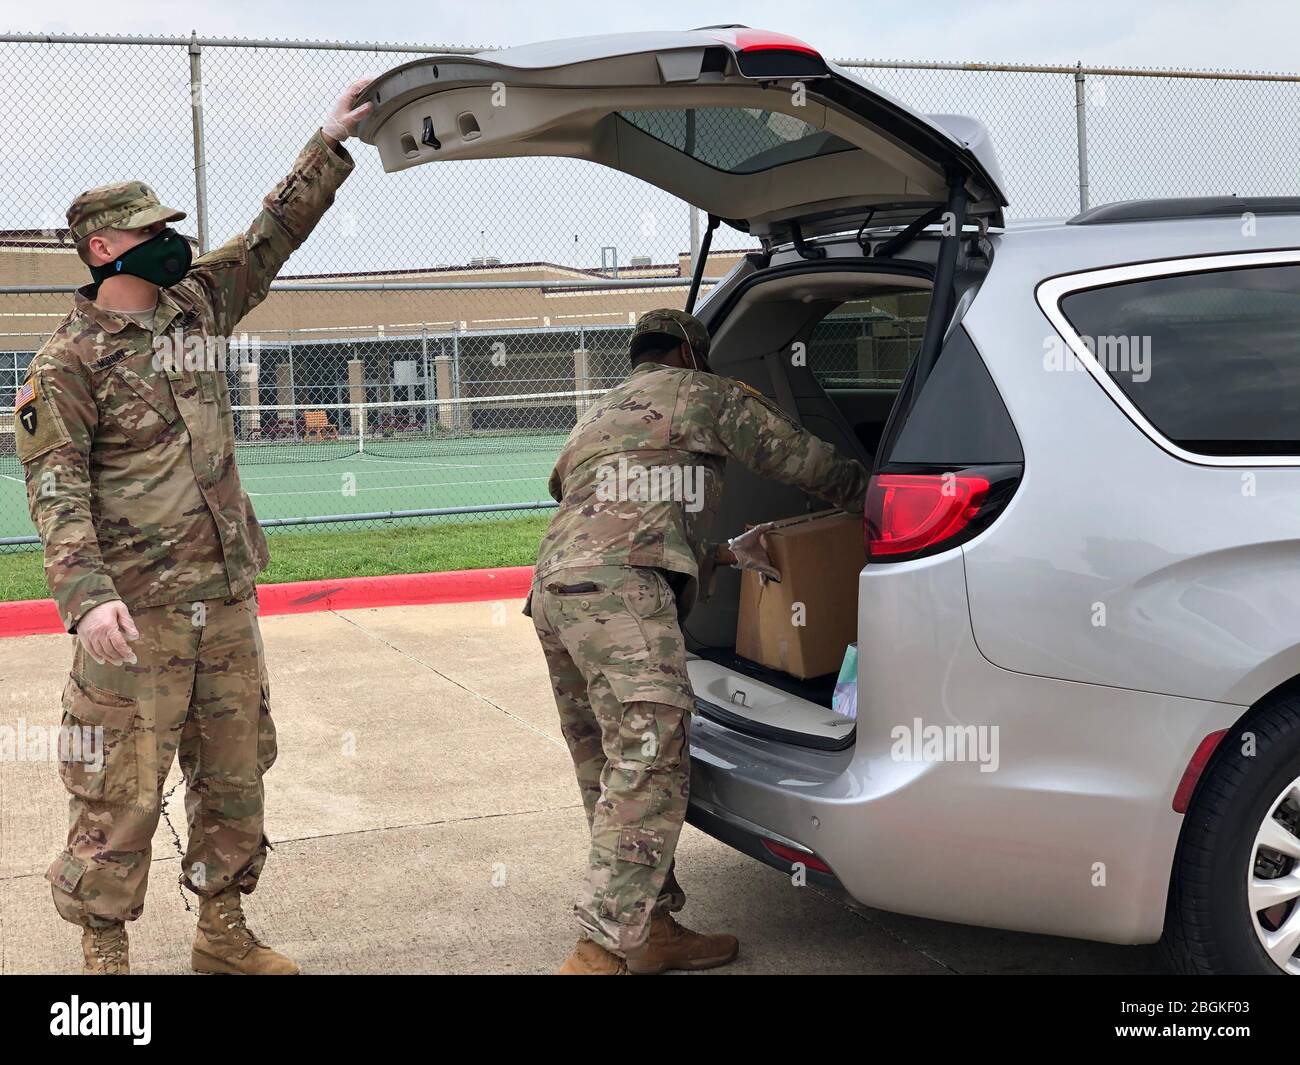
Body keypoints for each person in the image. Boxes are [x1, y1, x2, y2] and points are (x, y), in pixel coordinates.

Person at [21, 78, 374, 975]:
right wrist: (86, 597)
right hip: (132, 619)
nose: (172, 242)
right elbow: (55, 488)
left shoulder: (198, 311)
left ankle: (222, 933)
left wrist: (327, 143)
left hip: (222, 599)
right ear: (103, 249)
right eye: (151, 231)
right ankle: (106, 951)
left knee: (234, 773)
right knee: (120, 790)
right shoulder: (67, 363)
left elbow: (270, 236)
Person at [528, 307, 870, 974]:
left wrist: (723, 554)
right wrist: (877, 494)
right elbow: (800, 458)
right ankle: (598, 951)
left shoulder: (603, 411)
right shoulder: (702, 394)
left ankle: (651, 928)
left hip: (554, 592)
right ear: (690, 356)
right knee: (651, 761)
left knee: (608, 764)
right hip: (622, 594)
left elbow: (614, 518)